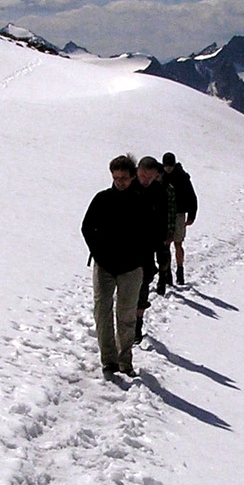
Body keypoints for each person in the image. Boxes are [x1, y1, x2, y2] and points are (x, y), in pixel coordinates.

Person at [81, 155, 148, 377]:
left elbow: (150, 236)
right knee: (102, 311)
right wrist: (99, 252)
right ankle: (108, 360)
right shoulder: (102, 199)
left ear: (132, 177)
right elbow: (87, 227)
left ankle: (125, 362)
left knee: (126, 315)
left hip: (131, 268)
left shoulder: (140, 201)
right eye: (116, 178)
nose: (119, 182)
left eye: (124, 178)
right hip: (105, 266)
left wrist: (143, 262)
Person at [132, 156, 172, 341]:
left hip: (148, 247)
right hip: (128, 247)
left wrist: (162, 241)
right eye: (141, 176)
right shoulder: (129, 188)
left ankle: (137, 324)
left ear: (156, 175)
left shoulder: (160, 192)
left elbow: (163, 220)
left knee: (143, 284)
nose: (144, 180)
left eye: (149, 177)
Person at [161, 152, 198, 286]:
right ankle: (167, 274)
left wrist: (191, 215)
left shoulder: (182, 177)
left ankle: (180, 270)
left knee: (177, 243)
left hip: (179, 214)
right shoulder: (162, 176)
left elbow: (192, 196)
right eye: (166, 166)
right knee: (166, 244)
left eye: (170, 166)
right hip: (165, 214)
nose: (168, 168)